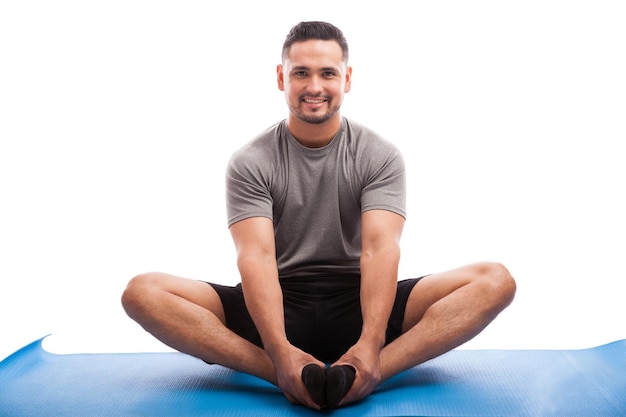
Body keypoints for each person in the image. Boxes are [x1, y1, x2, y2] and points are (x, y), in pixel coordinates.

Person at [121, 21, 516, 411]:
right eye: (301, 73)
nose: (314, 87)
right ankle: (280, 372)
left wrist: (371, 343)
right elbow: (255, 258)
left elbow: (380, 251)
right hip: (277, 301)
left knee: (495, 281)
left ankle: (367, 371)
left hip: (360, 301)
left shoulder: (379, 155)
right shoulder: (251, 161)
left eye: (327, 73)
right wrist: (277, 351)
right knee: (142, 292)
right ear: (281, 77)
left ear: (347, 78)